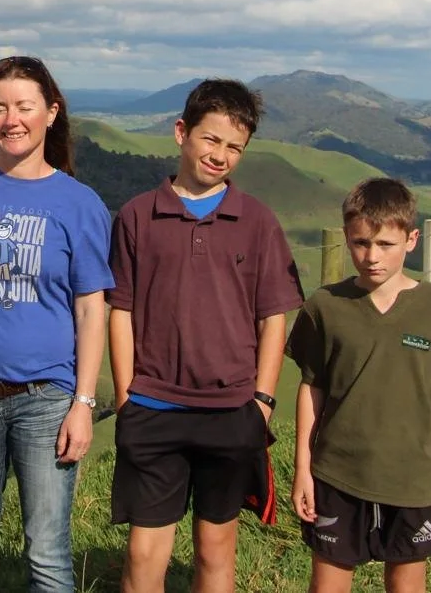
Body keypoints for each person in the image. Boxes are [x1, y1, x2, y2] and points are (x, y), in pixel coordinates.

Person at [107, 78, 303, 593]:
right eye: (210, 139)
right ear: (181, 133)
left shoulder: (258, 221)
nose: (220, 155)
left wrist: (261, 399)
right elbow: (120, 310)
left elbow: (273, 316)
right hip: (153, 407)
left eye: (234, 147)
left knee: (217, 553)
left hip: (231, 410)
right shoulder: (136, 216)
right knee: (144, 555)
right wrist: (128, 395)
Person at [0, 56, 113, 593]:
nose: (11, 119)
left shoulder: (79, 203)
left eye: (24, 106)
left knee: (49, 554)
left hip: (45, 398)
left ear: (51, 113)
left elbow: (91, 308)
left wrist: (82, 404)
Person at [287, 177, 431, 593]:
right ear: (347, 238)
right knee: (326, 584)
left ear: (411, 239)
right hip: (337, 473)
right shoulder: (325, 307)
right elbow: (312, 388)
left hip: (414, 477)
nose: (372, 257)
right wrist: (302, 469)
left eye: (385, 244)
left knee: (406, 584)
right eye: (361, 243)